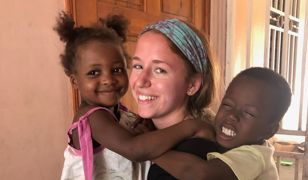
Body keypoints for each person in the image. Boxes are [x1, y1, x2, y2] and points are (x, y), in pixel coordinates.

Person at [55, 13, 214, 180]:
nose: (108, 80)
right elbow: (134, 149)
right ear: (74, 81)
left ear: (192, 84)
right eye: (94, 73)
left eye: (116, 70)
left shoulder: (120, 113)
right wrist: (191, 127)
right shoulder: (92, 117)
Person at [151, 67, 292, 180]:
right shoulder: (212, 133)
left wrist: (152, 152)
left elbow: (200, 174)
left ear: (270, 131)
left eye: (248, 113)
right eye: (227, 105)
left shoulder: (256, 156)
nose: (232, 116)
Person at [129, 18, 222, 179]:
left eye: (160, 70)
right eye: (138, 66)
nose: (141, 81)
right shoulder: (138, 127)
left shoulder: (196, 152)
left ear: (192, 84)